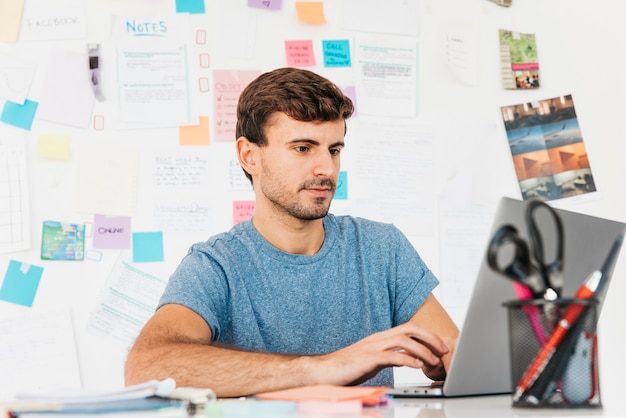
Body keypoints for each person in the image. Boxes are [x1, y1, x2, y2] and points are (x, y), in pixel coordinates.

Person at [124, 67, 459, 397]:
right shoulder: (216, 266)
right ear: (249, 155)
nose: (326, 169)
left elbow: (456, 356)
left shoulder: (381, 249)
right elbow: (146, 367)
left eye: (334, 150)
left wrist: (446, 365)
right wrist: (320, 369)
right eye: (303, 148)